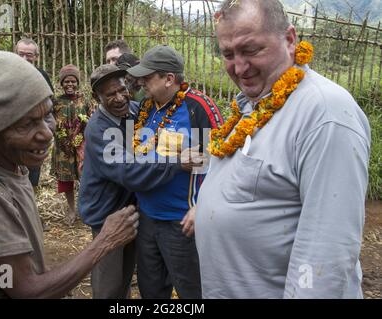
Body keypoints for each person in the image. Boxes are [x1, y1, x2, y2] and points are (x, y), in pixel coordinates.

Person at [195, 0, 371, 299]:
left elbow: (326, 257)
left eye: (251, 50)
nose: (239, 67)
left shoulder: (325, 113)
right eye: (228, 54)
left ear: (290, 40)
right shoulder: (252, 104)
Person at [0, 51, 139, 299]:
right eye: (26, 124)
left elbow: (6, 271)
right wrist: (103, 242)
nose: (47, 133)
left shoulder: (7, 160)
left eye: (48, 115)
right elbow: (26, 291)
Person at [78, 64, 204, 298]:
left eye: (121, 89)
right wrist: (177, 163)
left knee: (126, 278)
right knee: (109, 286)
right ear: (97, 98)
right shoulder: (99, 129)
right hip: (106, 214)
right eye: (109, 95)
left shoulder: (137, 112)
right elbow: (128, 171)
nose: (118, 98)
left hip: (133, 211)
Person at [126, 45, 224, 299]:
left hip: (182, 221)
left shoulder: (198, 107)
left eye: (147, 77)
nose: (141, 82)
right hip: (147, 215)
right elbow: (133, 152)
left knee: (190, 289)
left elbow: (224, 158)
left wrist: (202, 205)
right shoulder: (144, 107)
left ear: (169, 78)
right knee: (151, 288)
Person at [14, 38, 54, 192]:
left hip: (35, 130)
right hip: (13, 131)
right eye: (21, 54)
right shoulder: (5, 75)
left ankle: (30, 200)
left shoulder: (41, 76)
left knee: (32, 168)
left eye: (29, 55)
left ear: (36, 57)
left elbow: (50, 103)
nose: (25, 58)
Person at [51, 64, 89, 225]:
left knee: (86, 178)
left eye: (73, 81)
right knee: (66, 181)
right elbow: (50, 122)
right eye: (66, 81)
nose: (70, 84)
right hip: (63, 148)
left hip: (81, 147)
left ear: (77, 83)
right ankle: (72, 209)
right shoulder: (56, 102)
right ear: (61, 83)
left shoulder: (84, 101)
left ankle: (85, 210)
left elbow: (90, 121)